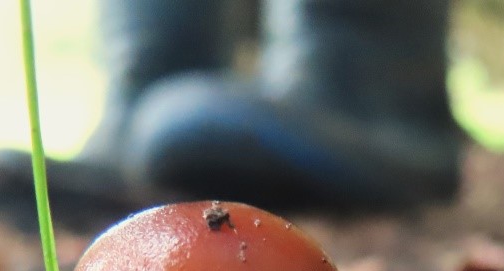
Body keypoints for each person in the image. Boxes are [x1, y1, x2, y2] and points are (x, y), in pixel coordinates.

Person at [57, 0, 461, 212]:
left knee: (184, 115)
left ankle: (370, 92)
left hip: (373, 100)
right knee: (165, 105)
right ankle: (143, 95)